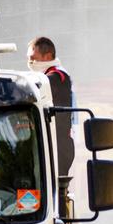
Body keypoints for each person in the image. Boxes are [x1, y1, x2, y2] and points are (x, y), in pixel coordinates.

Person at [27, 36, 75, 177]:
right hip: (50, 144)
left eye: (32, 58)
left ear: (47, 56)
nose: (29, 63)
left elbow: (38, 86)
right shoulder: (49, 75)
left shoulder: (58, 76)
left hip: (57, 147)